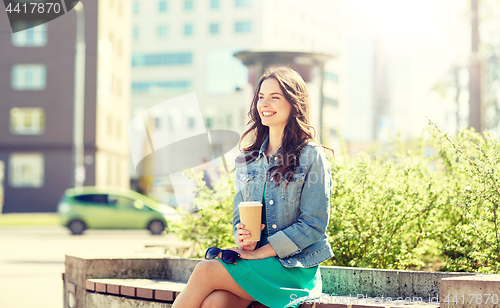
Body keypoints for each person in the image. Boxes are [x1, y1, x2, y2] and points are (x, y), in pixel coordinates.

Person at [172, 66, 334, 308]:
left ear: (294, 103)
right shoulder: (247, 159)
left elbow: (313, 225)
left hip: (294, 267)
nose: (264, 104)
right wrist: (244, 239)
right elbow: (240, 217)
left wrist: (259, 252)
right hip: (256, 261)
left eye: (274, 97)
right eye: (261, 97)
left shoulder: (311, 155)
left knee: (206, 271)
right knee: (216, 303)